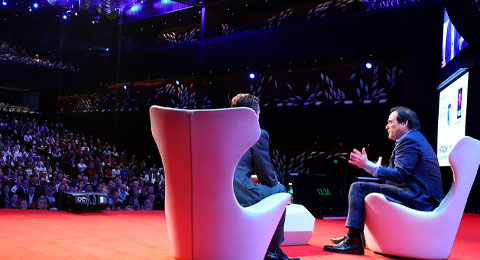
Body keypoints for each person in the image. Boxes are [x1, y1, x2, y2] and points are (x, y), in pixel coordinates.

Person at [323, 106, 444, 255]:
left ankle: (354, 240)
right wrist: (378, 168)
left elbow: (401, 174)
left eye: (390, 122)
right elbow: (404, 173)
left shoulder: (409, 140)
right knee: (365, 186)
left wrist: (370, 166)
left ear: (404, 123)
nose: (386, 126)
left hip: (418, 197)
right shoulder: (414, 138)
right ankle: (355, 236)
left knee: (358, 188)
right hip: (420, 194)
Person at [231, 93, 299, 260]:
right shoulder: (257, 134)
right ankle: (272, 250)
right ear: (254, 114)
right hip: (241, 193)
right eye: (259, 114)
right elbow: (268, 178)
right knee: (281, 190)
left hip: (219, 190)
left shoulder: (220, 131)